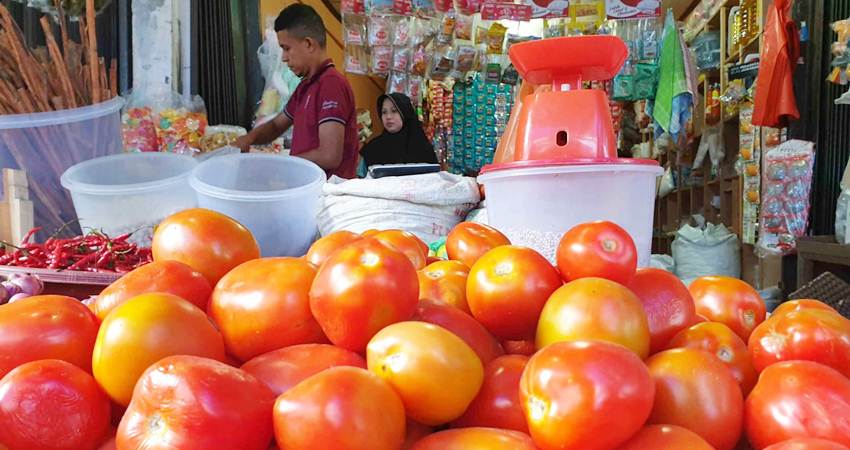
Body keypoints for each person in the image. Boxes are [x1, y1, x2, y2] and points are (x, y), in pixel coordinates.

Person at [234, 4, 359, 179]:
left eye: (286, 48)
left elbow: (329, 156)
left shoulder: (331, 85)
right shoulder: (305, 86)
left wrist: (282, 164)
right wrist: (249, 139)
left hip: (329, 196)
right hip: (307, 191)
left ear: (308, 44)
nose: (284, 58)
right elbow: (277, 125)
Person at [359, 93, 438, 170]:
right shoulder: (372, 149)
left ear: (405, 112)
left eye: (394, 111)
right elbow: (362, 179)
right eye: (384, 112)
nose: (388, 117)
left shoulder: (422, 148)